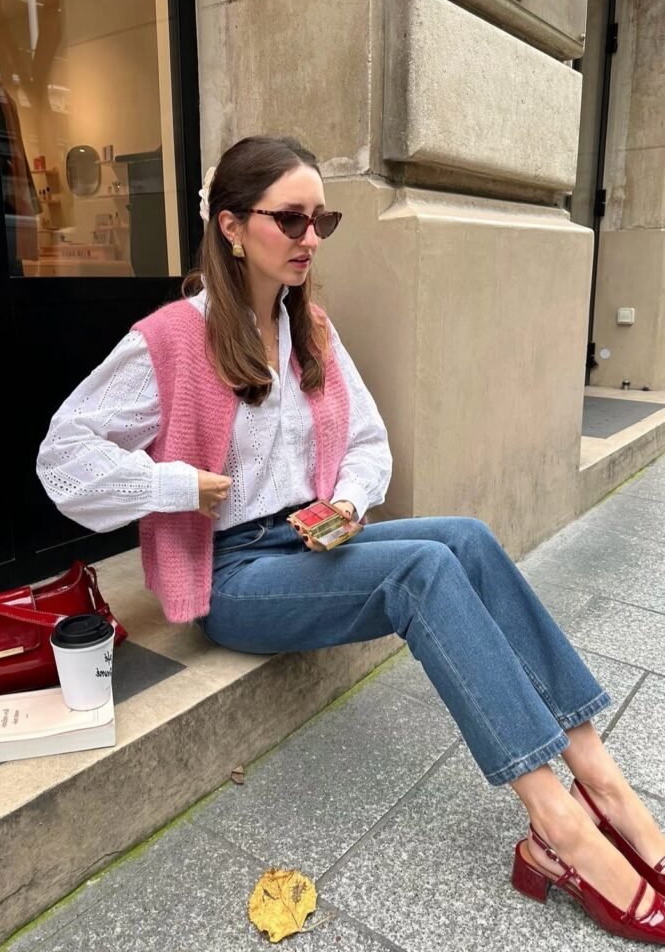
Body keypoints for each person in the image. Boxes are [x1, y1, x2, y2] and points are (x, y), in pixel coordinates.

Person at [37, 135, 665, 943]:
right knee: (420, 572)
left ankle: (602, 783)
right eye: (290, 219)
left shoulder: (309, 328)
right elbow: (64, 458)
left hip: (309, 541)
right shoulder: (170, 338)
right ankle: (559, 827)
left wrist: (345, 501)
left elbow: (367, 441)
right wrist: (174, 486)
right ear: (230, 226)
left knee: (466, 538)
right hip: (232, 575)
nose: (310, 238)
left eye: (321, 221)